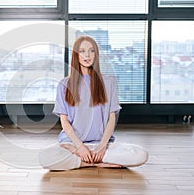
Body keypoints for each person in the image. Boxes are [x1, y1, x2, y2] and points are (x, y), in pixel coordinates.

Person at [38, 35, 148, 170]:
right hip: (72, 144)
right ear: (76, 55)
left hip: (101, 144)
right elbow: (64, 121)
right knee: (44, 158)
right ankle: (95, 162)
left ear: (96, 54)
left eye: (92, 51)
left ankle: (87, 160)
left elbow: (111, 118)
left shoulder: (109, 82)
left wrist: (101, 148)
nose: (87, 55)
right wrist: (79, 148)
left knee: (141, 155)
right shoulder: (64, 84)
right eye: (82, 51)